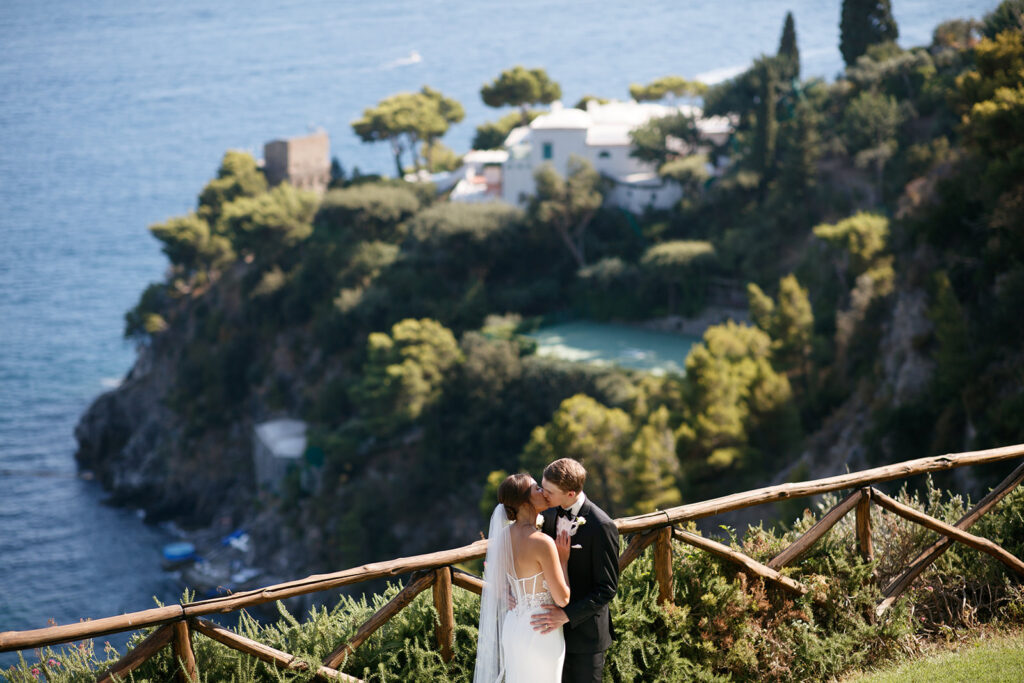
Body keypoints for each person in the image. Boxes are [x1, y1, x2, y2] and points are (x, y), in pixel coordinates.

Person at [474, 473, 572, 683]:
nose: (543, 492)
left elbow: (499, 586)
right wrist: (563, 560)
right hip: (541, 627)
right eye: (537, 488)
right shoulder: (542, 542)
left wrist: (508, 594)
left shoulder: (502, 537)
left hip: (514, 627)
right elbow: (563, 599)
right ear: (525, 501)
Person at [533, 458, 620, 683]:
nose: (543, 494)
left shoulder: (601, 526)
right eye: (542, 487)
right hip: (551, 635)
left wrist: (566, 615)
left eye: (549, 491)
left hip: (586, 636)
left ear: (570, 494)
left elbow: (607, 588)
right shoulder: (549, 515)